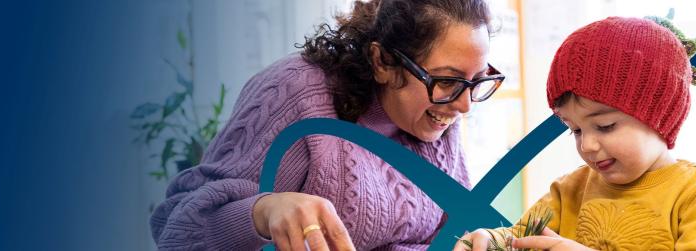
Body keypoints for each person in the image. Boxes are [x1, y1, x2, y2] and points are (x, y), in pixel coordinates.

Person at [150, 0, 506, 250]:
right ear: (382, 61)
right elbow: (176, 232)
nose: (464, 106)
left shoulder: (438, 112)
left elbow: (443, 234)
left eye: (477, 82)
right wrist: (263, 211)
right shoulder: (297, 94)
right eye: (448, 80)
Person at [454, 16, 696, 251]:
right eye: (575, 130)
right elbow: (520, 238)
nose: (587, 145)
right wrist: (492, 241)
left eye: (605, 126)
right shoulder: (569, 190)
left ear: (659, 117)